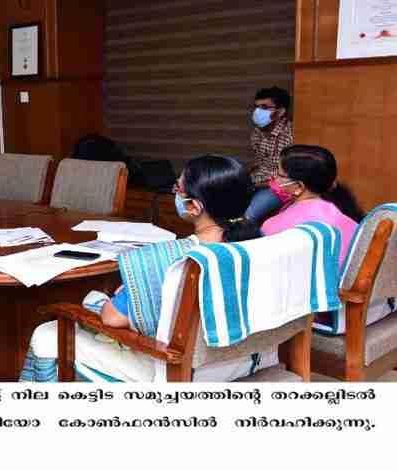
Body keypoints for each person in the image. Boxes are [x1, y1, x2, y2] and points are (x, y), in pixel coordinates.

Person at [20, 155, 273, 383]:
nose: (175, 192)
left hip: (183, 374)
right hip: (249, 362)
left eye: (178, 189)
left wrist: (135, 292)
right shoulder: (269, 246)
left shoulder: (167, 260)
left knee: (48, 333)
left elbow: (111, 318)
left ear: (194, 207)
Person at [262, 145, 364, 268]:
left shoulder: (272, 227)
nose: (274, 179)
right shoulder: (353, 225)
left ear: (299, 187)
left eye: (279, 175)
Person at [245, 86, 293, 224]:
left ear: (281, 111)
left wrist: (256, 185)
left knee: (248, 215)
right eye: (256, 107)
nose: (258, 111)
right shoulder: (257, 133)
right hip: (258, 181)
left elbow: (288, 177)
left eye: (265, 107)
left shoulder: (290, 134)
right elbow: (260, 163)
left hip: (279, 187)